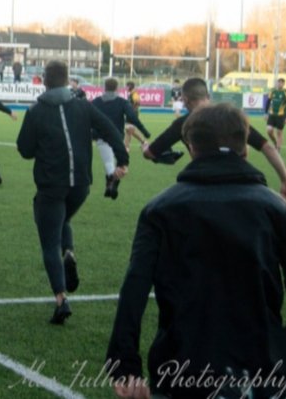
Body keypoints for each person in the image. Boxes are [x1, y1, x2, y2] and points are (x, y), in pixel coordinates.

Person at [106, 103, 286, 399]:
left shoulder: (159, 210)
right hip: (264, 368)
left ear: (191, 148)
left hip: (181, 368)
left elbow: (134, 289)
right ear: (245, 148)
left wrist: (124, 364)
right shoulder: (274, 208)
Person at [16, 60, 129, 325]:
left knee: (48, 241)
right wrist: (122, 161)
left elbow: (25, 149)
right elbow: (111, 131)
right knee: (63, 219)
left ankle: (61, 299)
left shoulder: (36, 111)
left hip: (51, 185)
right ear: (68, 79)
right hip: (81, 185)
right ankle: (70, 251)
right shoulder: (83, 106)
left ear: (45, 80)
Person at [142, 77, 286, 197]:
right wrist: (284, 180)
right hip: (241, 182)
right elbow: (267, 147)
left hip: (203, 183)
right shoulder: (232, 117)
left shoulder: (182, 124)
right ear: (208, 96)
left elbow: (150, 153)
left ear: (185, 99)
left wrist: (145, 147)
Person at [92, 78, 151, 200]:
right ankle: (112, 183)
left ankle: (110, 182)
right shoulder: (122, 102)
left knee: (108, 162)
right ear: (117, 88)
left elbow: (86, 118)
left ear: (104, 87)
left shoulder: (96, 102)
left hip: (101, 136)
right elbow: (132, 118)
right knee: (121, 163)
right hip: (117, 136)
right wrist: (144, 131)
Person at [123, 81, 145, 149]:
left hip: (133, 113)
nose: (126, 88)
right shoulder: (131, 94)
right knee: (128, 129)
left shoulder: (134, 94)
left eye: (127, 86)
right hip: (131, 113)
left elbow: (138, 102)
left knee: (129, 128)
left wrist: (132, 109)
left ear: (130, 86)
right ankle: (126, 146)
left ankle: (143, 142)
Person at [266, 77, 286, 150]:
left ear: (283, 84)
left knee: (279, 132)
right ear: (277, 83)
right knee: (269, 130)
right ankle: (275, 142)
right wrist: (265, 113)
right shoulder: (272, 91)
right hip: (271, 115)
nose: (280, 84)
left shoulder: (285, 92)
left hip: (281, 115)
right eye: (279, 82)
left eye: (282, 82)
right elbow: (268, 102)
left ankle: (278, 148)